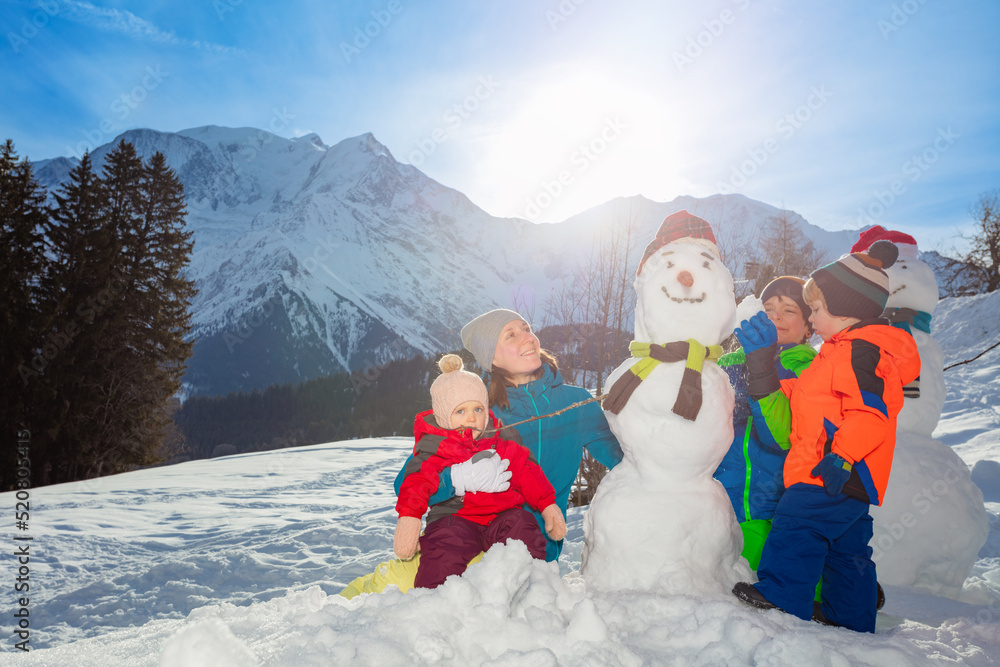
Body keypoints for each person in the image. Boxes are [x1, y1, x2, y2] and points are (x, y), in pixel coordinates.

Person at [339, 309, 623, 598]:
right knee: (403, 584)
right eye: (511, 335)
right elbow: (409, 483)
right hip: (461, 536)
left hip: (532, 549)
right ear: (493, 360)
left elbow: (625, 461)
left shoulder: (577, 403)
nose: (528, 338)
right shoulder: (477, 410)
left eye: (527, 328)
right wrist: (457, 478)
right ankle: (336, 613)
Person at [732, 240, 920, 633]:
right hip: (851, 476)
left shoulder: (858, 352)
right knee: (847, 551)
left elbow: (872, 412)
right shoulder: (839, 352)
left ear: (846, 309)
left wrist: (842, 454)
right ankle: (850, 616)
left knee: (796, 525)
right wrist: (764, 373)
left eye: (814, 310)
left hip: (827, 468)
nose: (812, 319)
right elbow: (803, 402)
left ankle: (783, 594)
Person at [393, 354, 566, 589]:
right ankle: (431, 600)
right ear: (444, 416)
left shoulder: (503, 438)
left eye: (477, 409)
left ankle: (533, 586)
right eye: (460, 411)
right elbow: (416, 483)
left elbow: (527, 470)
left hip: (501, 515)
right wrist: (410, 519)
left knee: (523, 524)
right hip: (455, 518)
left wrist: (547, 505)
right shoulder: (434, 447)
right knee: (444, 546)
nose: (472, 418)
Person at [714, 277, 817, 572]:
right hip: (723, 500)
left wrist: (762, 366)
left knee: (757, 574)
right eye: (769, 308)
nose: (775, 316)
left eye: (789, 310)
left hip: (769, 507)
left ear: (809, 326)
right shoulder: (730, 363)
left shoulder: (806, 367)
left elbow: (781, 433)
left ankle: (837, 584)